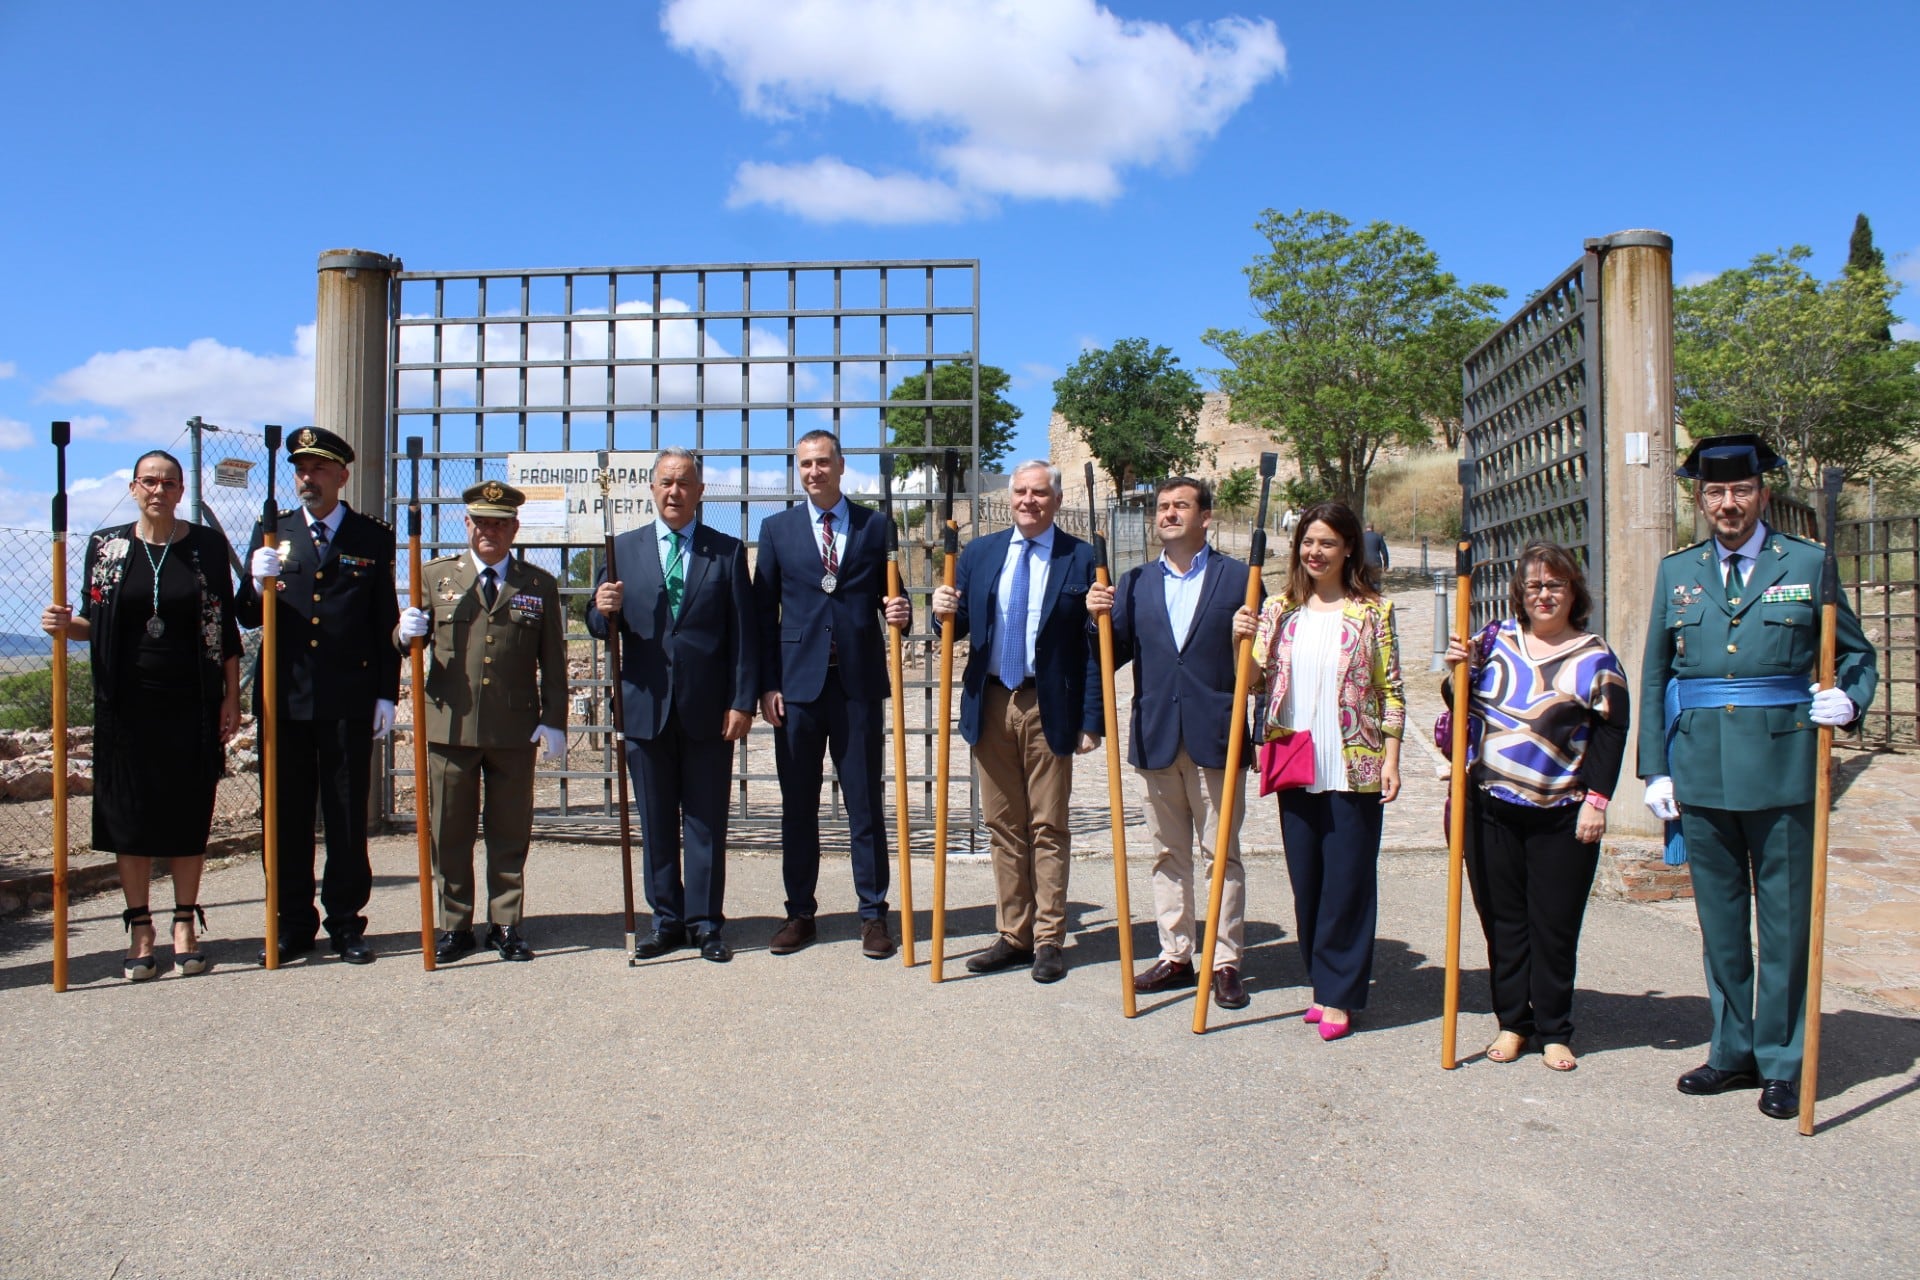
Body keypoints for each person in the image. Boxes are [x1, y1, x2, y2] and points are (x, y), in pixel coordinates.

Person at [1639, 434, 1875, 1120]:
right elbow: (1657, 674)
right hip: (1702, 773)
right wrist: (1655, 766)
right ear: (1701, 499)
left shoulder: (1807, 563)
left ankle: (1782, 1058)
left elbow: (1855, 656)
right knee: (1720, 924)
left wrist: (1848, 700)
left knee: (1785, 925)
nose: (1728, 504)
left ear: (1761, 495)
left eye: (1740, 491)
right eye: (1715, 493)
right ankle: (1732, 1049)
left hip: (1783, 769)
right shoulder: (1678, 573)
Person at [41, 451, 242, 980]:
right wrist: (66, 623)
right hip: (124, 703)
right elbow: (94, 619)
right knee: (127, 814)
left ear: (180, 491)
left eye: (169, 483)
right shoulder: (106, 546)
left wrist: (231, 696)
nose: (158, 490)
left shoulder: (205, 546)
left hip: (190, 700)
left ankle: (184, 922)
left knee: (186, 810)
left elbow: (223, 628)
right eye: (149, 481)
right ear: (133, 488)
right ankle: (140, 926)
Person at [1443, 542, 1629, 1072]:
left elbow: (1612, 731)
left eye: (1555, 585)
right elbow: (1460, 703)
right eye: (1534, 587)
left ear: (1574, 592)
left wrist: (1597, 800)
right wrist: (1457, 671)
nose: (1544, 595)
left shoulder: (1595, 656)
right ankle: (1511, 1023)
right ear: (1519, 595)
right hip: (1490, 805)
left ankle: (1553, 1028)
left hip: (1562, 811)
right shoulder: (1494, 639)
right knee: (1502, 922)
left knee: (1553, 923)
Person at [1085, 476, 1260, 1009]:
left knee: (1220, 855)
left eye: (1180, 506)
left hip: (1216, 735)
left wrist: (1251, 636)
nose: (1168, 514)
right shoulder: (1135, 583)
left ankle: (1225, 960)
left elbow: (1263, 664)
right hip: (1156, 734)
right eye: (1162, 507)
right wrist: (1094, 615)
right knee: (1166, 853)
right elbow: (1110, 653)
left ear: (1205, 516)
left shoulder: (1240, 580)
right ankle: (1176, 952)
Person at [930, 460, 1102, 984]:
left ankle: (1049, 938)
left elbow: (1095, 646)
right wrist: (942, 612)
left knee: (1048, 825)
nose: (1029, 501)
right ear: (1011, 496)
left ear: (1056, 497)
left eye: (1040, 493)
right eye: (1021, 492)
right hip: (991, 702)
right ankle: (1014, 933)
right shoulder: (979, 555)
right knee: (1004, 826)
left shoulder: (1082, 558)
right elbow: (955, 633)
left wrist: (1091, 717)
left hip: (1047, 704)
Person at [235, 426, 400, 966]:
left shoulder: (370, 537)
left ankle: (347, 922)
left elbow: (383, 621)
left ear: (342, 476)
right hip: (285, 699)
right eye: (301, 469)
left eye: (319, 469)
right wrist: (254, 581)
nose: (308, 478)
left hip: (348, 698)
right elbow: (243, 614)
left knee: (347, 815)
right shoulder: (272, 532)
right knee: (286, 814)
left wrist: (385, 693)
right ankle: (291, 921)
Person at [588, 448, 757, 963]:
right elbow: (602, 628)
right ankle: (665, 920)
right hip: (645, 707)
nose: (674, 492)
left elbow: (745, 637)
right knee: (657, 821)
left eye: (684, 483)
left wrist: (742, 700)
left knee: (705, 821)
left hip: (709, 710)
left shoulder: (725, 553)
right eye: (665, 482)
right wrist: (601, 610)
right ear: (652, 488)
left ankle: (705, 922)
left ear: (700, 492)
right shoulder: (621, 549)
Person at [752, 430, 912, 959]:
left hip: (857, 685)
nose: (814, 471)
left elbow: (897, 598)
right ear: (798, 471)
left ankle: (873, 915)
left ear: (841, 465)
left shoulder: (874, 525)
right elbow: (762, 615)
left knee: (865, 805)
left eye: (823, 462)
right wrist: (767, 684)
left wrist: (901, 613)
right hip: (796, 690)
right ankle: (800, 913)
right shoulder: (775, 530)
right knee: (798, 806)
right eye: (805, 464)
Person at [1247, 500, 1405, 1039]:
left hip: (1354, 762)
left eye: (1327, 543)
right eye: (1308, 542)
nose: (1315, 552)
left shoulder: (1373, 613)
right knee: (1308, 882)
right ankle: (1322, 980)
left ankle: (1340, 995)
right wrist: (1241, 637)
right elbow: (1250, 681)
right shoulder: (1279, 610)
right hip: (1295, 758)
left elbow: (1392, 691)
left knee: (1349, 882)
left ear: (1348, 549)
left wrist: (1393, 757)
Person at [395, 481, 567, 963]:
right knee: (448, 831)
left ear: (515, 528)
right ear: (466, 525)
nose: (490, 531)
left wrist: (554, 719)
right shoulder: (434, 578)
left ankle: (506, 923)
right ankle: (454, 925)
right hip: (450, 725)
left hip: (514, 729)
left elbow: (552, 658)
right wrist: (401, 631)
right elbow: (407, 643)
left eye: (500, 523)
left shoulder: (537, 584)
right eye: (481, 522)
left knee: (509, 830)